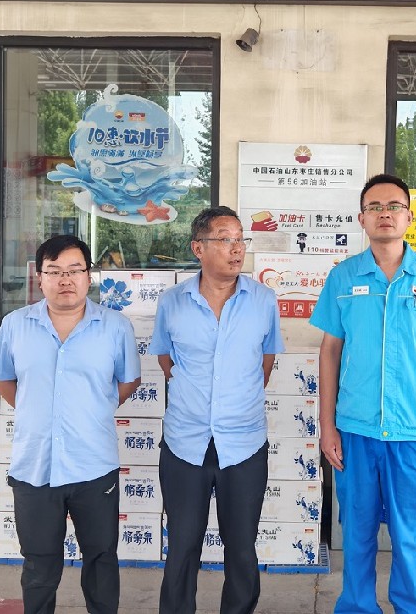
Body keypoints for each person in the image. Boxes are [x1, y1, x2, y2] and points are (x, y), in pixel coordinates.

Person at [310, 174, 416, 614]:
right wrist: (327, 426)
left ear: (409, 216)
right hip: (355, 430)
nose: (385, 214)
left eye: (394, 206)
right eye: (375, 207)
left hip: (413, 432)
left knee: (409, 536)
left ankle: (412, 607)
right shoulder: (343, 277)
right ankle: (357, 607)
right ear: (361, 218)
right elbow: (329, 352)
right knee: (357, 532)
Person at [0, 235, 140, 614]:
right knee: (39, 564)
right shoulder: (15, 325)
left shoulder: (115, 327)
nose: (65, 279)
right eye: (54, 271)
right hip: (35, 466)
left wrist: (92, 409)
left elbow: (128, 381)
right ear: (40, 278)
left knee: (101, 558)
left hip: (94, 465)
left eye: (74, 270)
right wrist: (39, 410)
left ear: (89, 276)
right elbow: (3, 378)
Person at [149, 206, 284, 614]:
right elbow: (167, 361)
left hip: (243, 443)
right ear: (198, 248)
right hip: (184, 444)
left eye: (240, 239)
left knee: (241, 547)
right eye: (225, 239)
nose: (237, 248)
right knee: (182, 545)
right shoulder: (172, 302)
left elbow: (264, 364)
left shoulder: (263, 301)